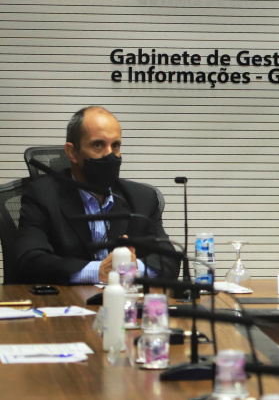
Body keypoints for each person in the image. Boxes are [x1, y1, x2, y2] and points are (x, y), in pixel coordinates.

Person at [15, 106, 178, 284]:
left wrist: (132, 267)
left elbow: (169, 260)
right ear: (72, 152)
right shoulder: (42, 196)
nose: (110, 155)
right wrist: (97, 271)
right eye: (98, 145)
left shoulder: (142, 199)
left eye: (115, 146)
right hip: (65, 304)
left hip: (125, 304)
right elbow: (29, 261)